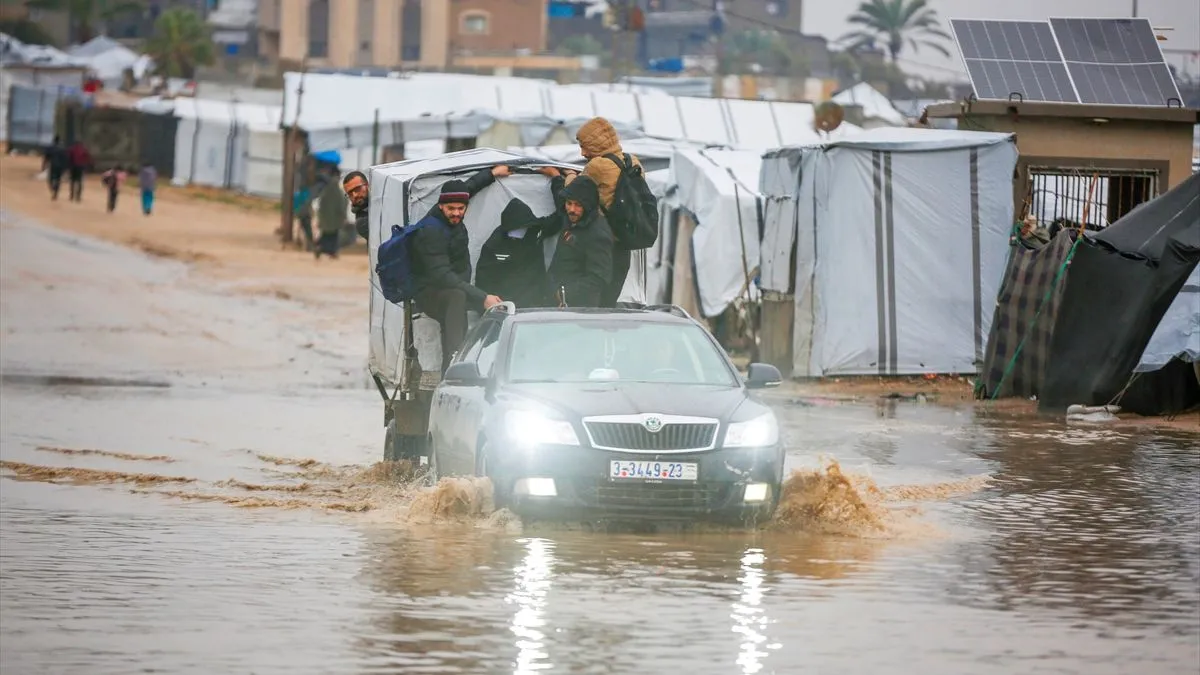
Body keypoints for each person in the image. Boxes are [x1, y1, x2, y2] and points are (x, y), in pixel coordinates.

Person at [410, 166, 510, 372]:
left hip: (452, 285)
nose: (456, 213)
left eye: (461, 209)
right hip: (430, 291)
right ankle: (453, 364)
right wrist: (481, 296)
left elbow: (466, 189)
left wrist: (491, 174)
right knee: (457, 298)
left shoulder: (452, 210)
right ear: (440, 207)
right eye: (451, 209)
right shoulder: (431, 231)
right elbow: (441, 275)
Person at [568, 116, 642, 307]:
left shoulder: (597, 166)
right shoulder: (633, 162)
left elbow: (574, 193)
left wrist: (567, 176)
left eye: (586, 146)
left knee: (589, 305)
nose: (583, 153)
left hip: (600, 243)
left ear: (597, 143)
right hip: (624, 244)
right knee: (609, 303)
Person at [540, 173, 614, 308]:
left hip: (580, 310)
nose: (572, 210)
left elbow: (598, 278)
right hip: (557, 304)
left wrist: (564, 294)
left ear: (588, 205)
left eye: (578, 205)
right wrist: (557, 176)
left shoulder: (598, 233)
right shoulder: (571, 220)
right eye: (569, 203)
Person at [475, 199, 550, 309]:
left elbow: (536, 274)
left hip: (530, 303)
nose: (521, 231)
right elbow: (484, 278)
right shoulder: (494, 244)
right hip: (500, 304)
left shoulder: (533, 237)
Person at [315, 166, 348, 259]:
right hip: (334, 218)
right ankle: (330, 251)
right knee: (333, 236)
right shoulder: (336, 188)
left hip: (326, 216)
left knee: (326, 234)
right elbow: (341, 203)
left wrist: (320, 216)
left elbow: (321, 203)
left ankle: (320, 247)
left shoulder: (325, 187)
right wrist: (343, 215)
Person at [342, 170, 370, 240]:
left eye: (357, 189)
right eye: (350, 193)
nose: (354, 195)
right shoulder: (362, 221)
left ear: (368, 185)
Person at [42, 136, 67, 200]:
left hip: (53, 166)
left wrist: (43, 166)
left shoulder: (50, 148)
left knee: (50, 179)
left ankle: (53, 188)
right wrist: (65, 168)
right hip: (60, 167)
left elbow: (46, 158)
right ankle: (56, 192)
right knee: (58, 180)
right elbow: (65, 159)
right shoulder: (63, 149)